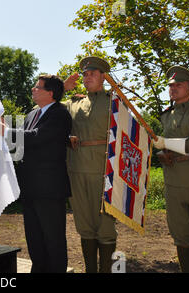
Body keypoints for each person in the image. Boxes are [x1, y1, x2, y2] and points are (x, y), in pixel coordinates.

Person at [0, 74, 72, 273]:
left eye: (38, 87)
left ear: (51, 93)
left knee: (53, 238)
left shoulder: (60, 114)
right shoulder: (31, 115)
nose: (33, 89)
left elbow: (37, 137)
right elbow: (20, 143)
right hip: (30, 187)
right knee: (34, 237)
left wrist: (6, 131)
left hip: (49, 189)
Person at [63, 56, 117, 273]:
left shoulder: (114, 101)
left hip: (105, 171)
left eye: (92, 73)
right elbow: (45, 114)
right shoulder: (72, 103)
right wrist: (61, 88)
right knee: (84, 226)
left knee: (105, 227)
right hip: (76, 171)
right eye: (84, 74)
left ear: (103, 77)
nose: (87, 77)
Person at [154, 65, 189, 273]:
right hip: (174, 182)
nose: (173, 88)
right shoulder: (166, 115)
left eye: (178, 85)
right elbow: (166, 143)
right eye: (171, 85)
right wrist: (163, 153)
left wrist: (167, 144)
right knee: (181, 235)